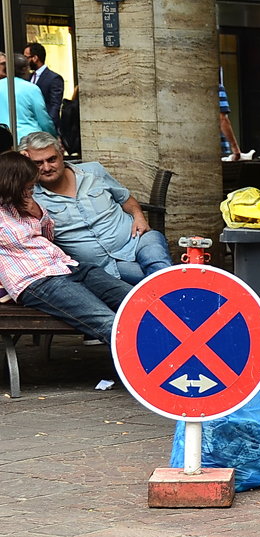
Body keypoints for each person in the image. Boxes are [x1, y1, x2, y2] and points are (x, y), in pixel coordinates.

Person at [0, 150, 131, 343]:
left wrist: (38, 213)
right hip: (37, 281)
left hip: (68, 267)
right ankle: (159, 367)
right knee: (109, 323)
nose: (31, 192)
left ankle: (183, 348)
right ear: (12, 185)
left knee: (137, 300)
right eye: (27, 188)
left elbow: (49, 237)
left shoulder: (23, 204)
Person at [19, 132, 173, 285]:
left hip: (137, 239)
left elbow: (124, 198)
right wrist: (18, 162)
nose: (46, 167)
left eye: (52, 159)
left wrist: (139, 216)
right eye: (37, 163)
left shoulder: (93, 171)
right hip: (105, 266)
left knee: (157, 261)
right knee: (158, 279)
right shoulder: (30, 197)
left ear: (61, 153)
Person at [0, 53, 56, 142]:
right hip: (29, 139)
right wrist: (53, 136)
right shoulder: (32, 88)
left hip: (4, 139)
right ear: (24, 69)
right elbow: (43, 119)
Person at [23, 42, 64, 130]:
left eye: (26, 57)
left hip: (45, 128)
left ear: (35, 58)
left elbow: (55, 105)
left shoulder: (54, 78)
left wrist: (48, 126)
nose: (24, 61)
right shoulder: (28, 77)